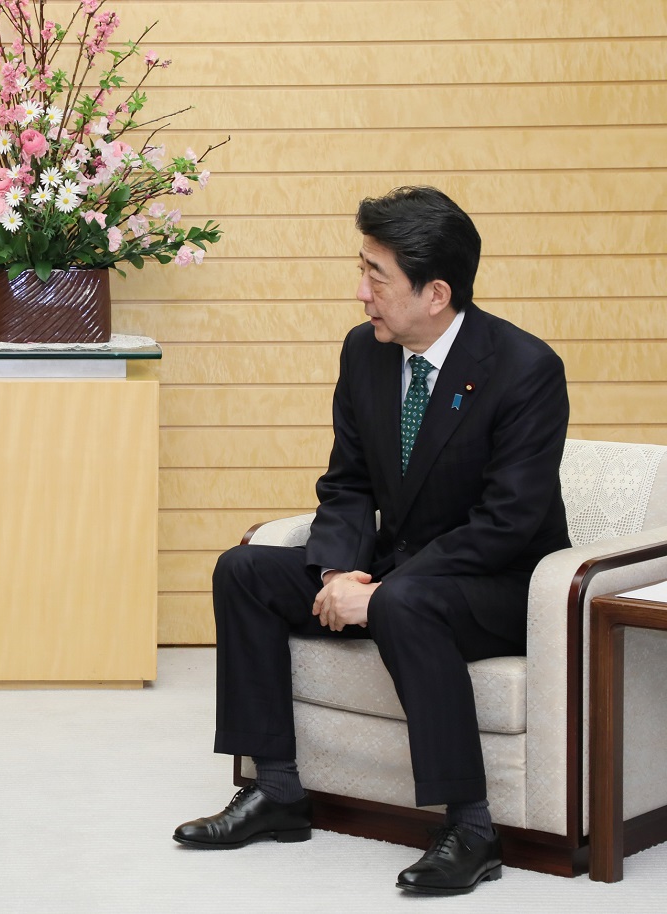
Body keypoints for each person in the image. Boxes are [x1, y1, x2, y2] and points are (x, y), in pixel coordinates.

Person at [172, 186, 570, 896]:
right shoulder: (367, 353)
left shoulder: (524, 370)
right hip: (397, 571)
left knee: (405, 605)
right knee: (244, 571)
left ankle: (472, 829)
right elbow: (349, 483)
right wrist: (338, 572)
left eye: (376, 276)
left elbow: (507, 522)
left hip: (500, 585)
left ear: (436, 292)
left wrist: (383, 592)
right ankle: (279, 791)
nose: (361, 294)